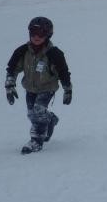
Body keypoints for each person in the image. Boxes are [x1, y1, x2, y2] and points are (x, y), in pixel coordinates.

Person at [5, 17, 72, 154]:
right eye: (33, 32)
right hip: (30, 87)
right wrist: (10, 85)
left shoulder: (54, 54)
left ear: (48, 35)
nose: (36, 37)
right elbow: (12, 68)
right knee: (32, 113)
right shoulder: (23, 51)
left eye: (41, 33)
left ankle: (36, 140)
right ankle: (50, 120)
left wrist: (68, 90)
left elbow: (63, 72)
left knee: (38, 110)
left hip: (47, 87)